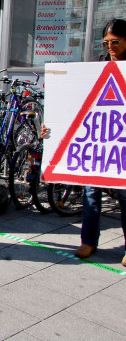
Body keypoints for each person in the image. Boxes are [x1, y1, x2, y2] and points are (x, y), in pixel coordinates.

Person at [42, 18, 126, 265]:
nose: (109, 46)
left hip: (119, 146)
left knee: (124, 197)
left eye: (115, 42)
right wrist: (55, 125)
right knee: (90, 194)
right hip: (98, 146)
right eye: (106, 42)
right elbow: (76, 102)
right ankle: (88, 241)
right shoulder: (99, 66)